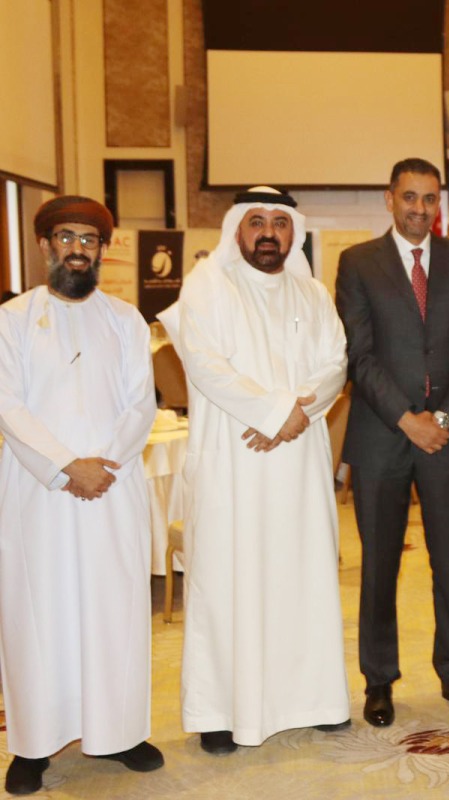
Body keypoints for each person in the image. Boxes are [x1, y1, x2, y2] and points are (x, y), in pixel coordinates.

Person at [164, 188, 350, 754]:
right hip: (232, 459)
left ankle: (314, 698)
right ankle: (221, 711)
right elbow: (205, 365)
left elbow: (335, 363)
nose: (268, 233)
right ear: (236, 231)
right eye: (256, 222)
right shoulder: (205, 286)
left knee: (303, 574)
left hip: (297, 461)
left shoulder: (312, 292)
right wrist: (276, 413)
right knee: (227, 578)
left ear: (292, 233)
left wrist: (296, 414)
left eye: (279, 223)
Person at [0, 196, 162, 794]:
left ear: (102, 249)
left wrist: (103, 465)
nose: (77, 248)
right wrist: (67, 465)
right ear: (45, 246)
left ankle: (119, 732)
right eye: (65, 237)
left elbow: (139, 404)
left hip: (111, 487)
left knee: (113, 606)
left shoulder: (125, 320)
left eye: (88, 239)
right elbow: (8, 405)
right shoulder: (11, 320)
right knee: (36, 612)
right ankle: (33, 745)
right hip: (38, 489)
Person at [336, 158, 449, 722]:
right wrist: (408, 420)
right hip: (383, 436)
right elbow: (359, 354)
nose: (420, 209)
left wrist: (444, 421)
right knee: (379, 564)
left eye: (430, 199)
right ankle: (379, 680)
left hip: (448, 438)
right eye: (410, 197)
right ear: (389, 198)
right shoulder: (357, 263)